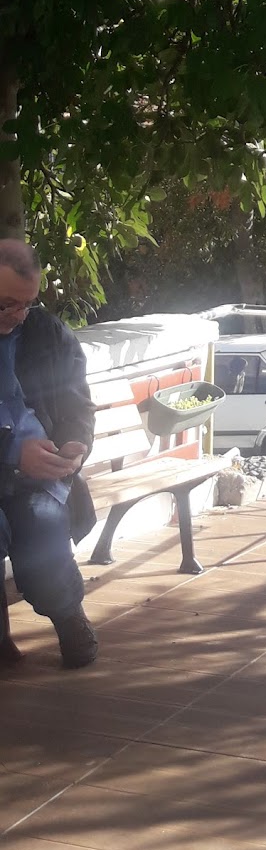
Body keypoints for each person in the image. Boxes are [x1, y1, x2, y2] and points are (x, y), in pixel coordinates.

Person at [0, 241, 98, 667]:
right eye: (6, 304)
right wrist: (11, 452)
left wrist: (76, 445)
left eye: (27, 304)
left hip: (40, 475)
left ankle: (68, 615)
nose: (18, 315)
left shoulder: (48, 334)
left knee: (41, 530)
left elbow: (78, 406)